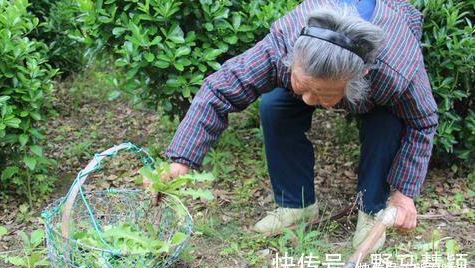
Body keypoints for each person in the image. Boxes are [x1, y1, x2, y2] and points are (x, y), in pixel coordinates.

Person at [160, 0, 438, 252]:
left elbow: (423, 121)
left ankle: (372, 210)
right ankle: (297, 204)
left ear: (356, 80)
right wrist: (180, 161)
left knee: (386, 124)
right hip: (312, 66)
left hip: (379, 75)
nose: (308, 100)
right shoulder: (282, 43)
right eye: (302, 86)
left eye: (320, 93)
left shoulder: (394, 70)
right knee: (275, 105)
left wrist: (404, 194)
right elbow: (220, 89)